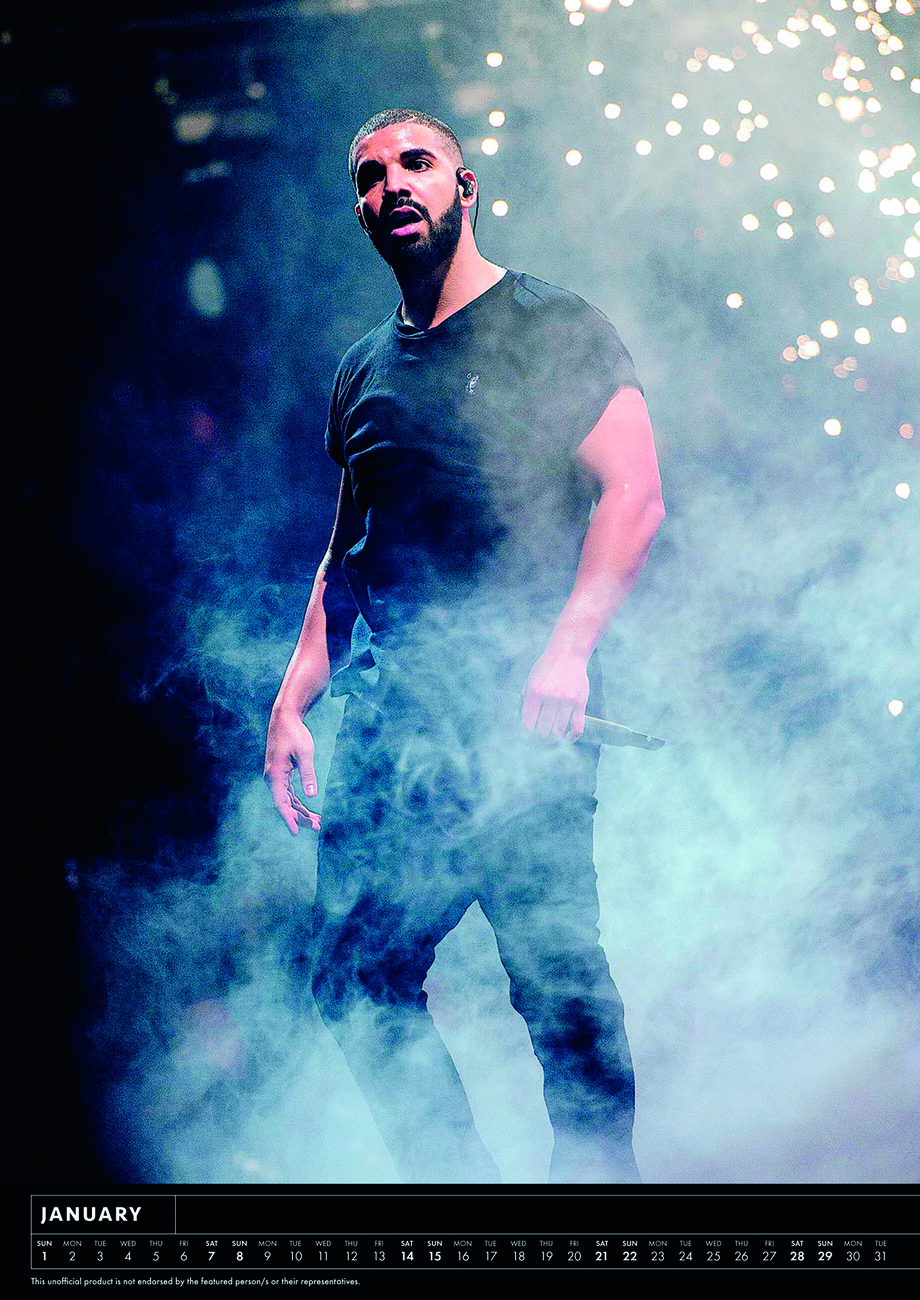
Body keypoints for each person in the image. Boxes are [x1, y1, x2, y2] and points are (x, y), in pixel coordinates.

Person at [264, 109, 665, 1183]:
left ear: (464, 185)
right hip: (393, 735)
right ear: (360, 211)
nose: (392, 184)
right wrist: (293, 699)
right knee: (352, 977)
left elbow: (633, 494)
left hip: (521, 729)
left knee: (560, 994)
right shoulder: (361, 371)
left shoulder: (550, 325)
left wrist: (566, 649)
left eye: (416, 163)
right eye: (370, 175)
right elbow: (345, 552)